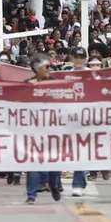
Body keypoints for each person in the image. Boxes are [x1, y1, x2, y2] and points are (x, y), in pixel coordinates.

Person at [24, 53, 62, 204]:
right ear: (36, 68)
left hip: (52, 129)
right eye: (46, 66)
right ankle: (31, 195)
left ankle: (54, 185)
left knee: (53, 163)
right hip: (33, 129)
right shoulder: (27, 83)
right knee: (33, 162)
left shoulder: (55, 83)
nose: (49, 69)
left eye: (50, 66)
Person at [68, 47, 90, 197]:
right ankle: (54, 183)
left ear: (85, 58)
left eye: (81, 57)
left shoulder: (91, 74)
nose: (78, 59)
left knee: (81, 151)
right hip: (67, 117)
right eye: (76, 56)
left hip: (86, 118)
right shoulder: (66, 74)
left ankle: (78, 183)